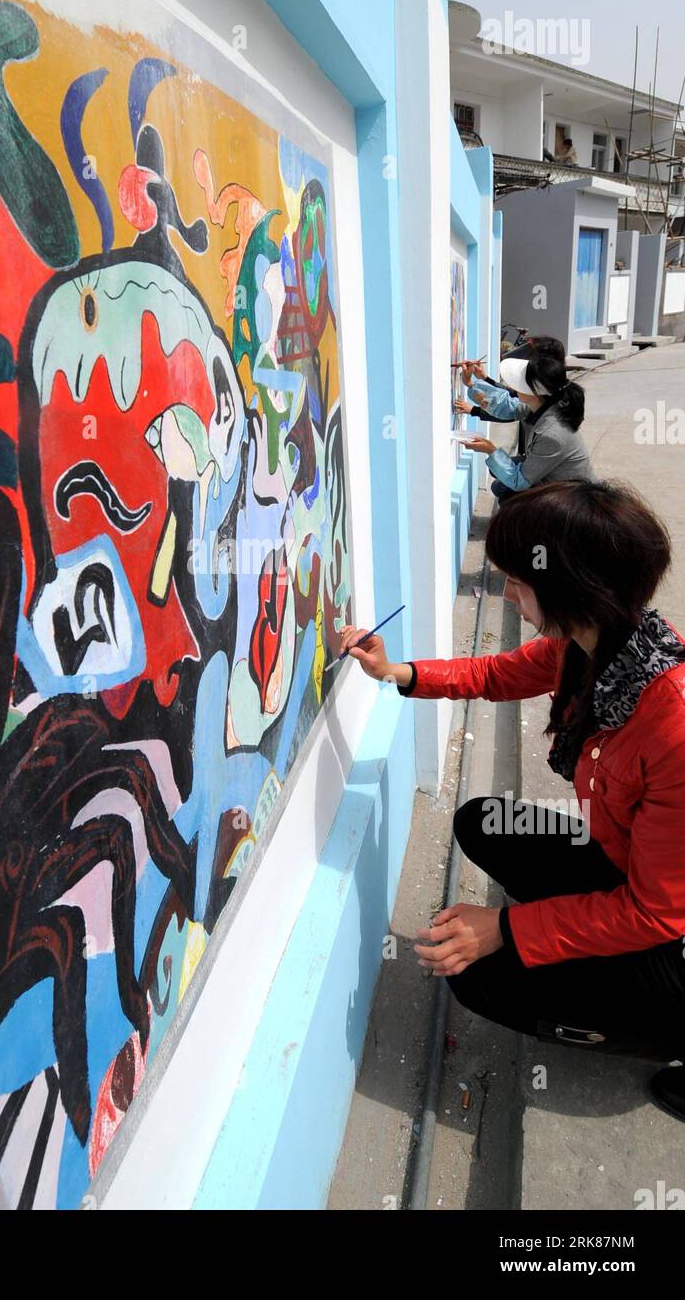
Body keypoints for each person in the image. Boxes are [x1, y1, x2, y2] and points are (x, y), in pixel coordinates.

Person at [341, 479, 685, 1123]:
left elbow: (655, 913)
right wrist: (397, 674)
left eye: (517, 582)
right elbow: (498, 674)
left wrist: (504, 928)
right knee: (482, 822)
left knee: (476, 976)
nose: (506, 594)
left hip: (672, 938)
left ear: (572, 590)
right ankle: (574, 961)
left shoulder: (674, 726)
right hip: (626, 861)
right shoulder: (595, 644)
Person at [460, 352, 593, 502]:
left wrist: (490, 450)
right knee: (500, 483)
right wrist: (470, 384)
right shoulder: (542, 403)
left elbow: (520, 482)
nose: (513, 387)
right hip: (553, 476)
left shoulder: (552, 434)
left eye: (520, 383)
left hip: (571, 495)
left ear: (536, 391)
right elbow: (507, 408)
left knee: (508, 494)